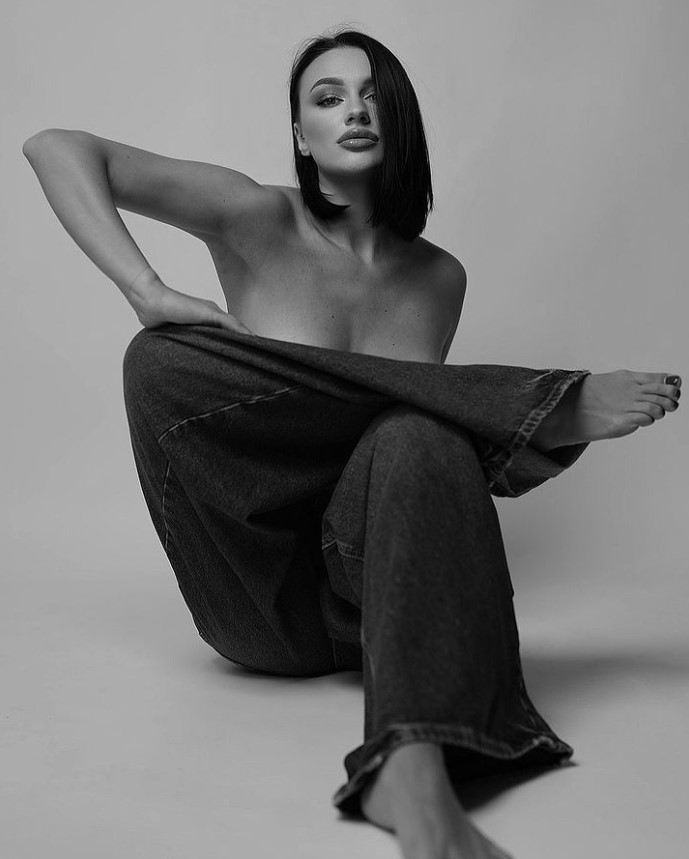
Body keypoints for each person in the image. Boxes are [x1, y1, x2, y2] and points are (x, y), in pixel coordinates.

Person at [23, 27, 681, 859]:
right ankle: (529, 409)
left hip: (375, 601)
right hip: (250, 590)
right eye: (327, 98)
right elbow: (57, 147)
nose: (354, 111)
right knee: (157, 361)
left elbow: (406, 459)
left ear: (399, 118)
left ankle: (412, 766)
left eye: (372, 96)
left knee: (419, 429)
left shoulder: (439, 278)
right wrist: (145, 288)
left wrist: (447, 415)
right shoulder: (256, 215)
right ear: (301, 136)